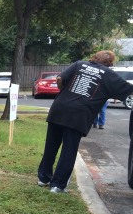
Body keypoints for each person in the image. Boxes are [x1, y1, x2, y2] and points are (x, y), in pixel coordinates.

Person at [37, 50, 130, 193]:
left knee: (51, 144)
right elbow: (127, 90)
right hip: (79, 115)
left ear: (94, 57)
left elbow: (59, 80)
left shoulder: (79, 64)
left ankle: (43, 178)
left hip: (59, 109)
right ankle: (58, 185)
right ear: (110, 63)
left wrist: (66, 93)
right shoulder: (108, 74)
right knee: (69, 149)